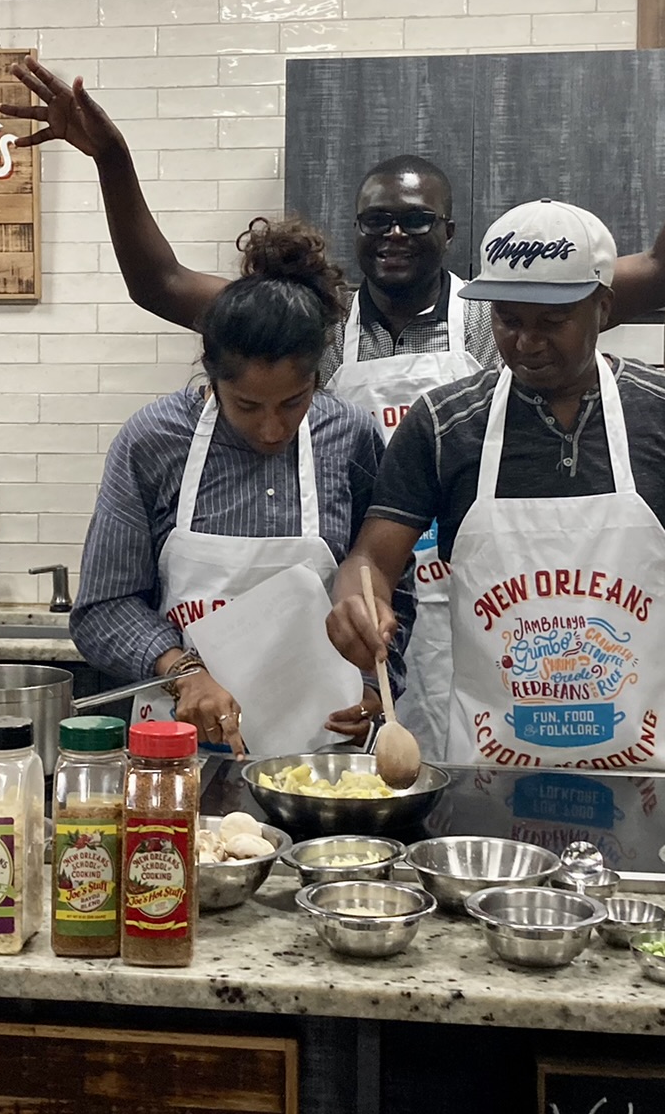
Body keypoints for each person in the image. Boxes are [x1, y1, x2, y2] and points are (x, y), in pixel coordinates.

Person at [7, 1, 665, 754]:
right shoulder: (309, 332)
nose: (527, 339)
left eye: (415, 220)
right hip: (360, 635)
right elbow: (162, 283)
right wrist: (113, 160)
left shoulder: (501, 320)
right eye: (375, 221)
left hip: (480, 622)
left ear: (450, 233)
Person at [326, 200, 665, 773]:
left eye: (552, 322)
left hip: (656, 776)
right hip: (490, 776)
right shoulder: (443, 425)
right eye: (508, 319)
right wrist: (357, 598)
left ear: (602, 308)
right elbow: (371, 560)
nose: (526, 343)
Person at [70, 220, 413, 751]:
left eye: (294, 402)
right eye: (248, 406)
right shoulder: (155, 440)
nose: (273, 429)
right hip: (179, 753)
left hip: (324, 760)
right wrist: (183, 670)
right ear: (212, 374)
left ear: (318, 377)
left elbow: (392, 591)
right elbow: (102, 608)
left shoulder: (350, 436)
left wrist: (374, 684)